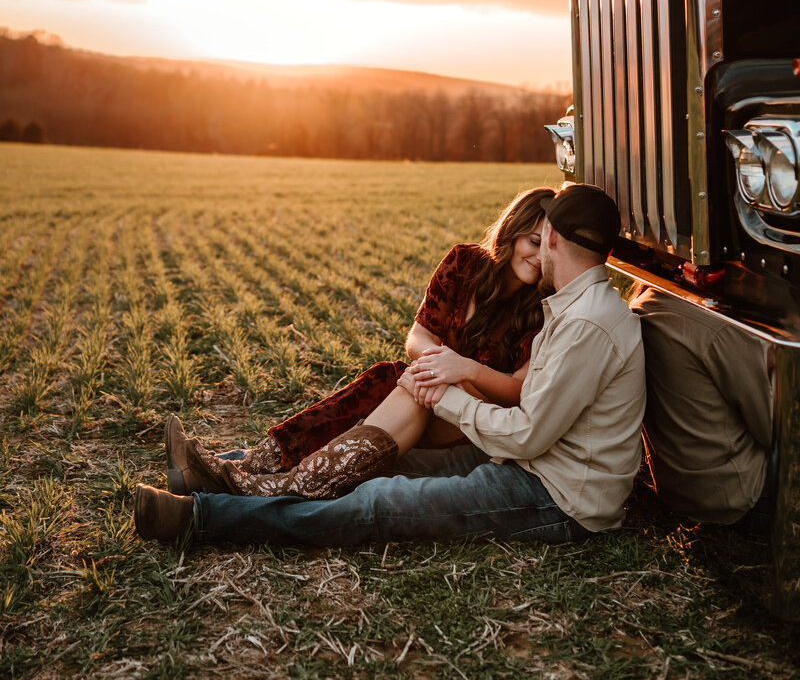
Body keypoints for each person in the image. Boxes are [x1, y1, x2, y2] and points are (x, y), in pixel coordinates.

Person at [134, 183, 647, 548]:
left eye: (543, 239)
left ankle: (203, 516)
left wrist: (444, 391)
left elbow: (527, 432)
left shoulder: (583, 322)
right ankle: (232, 471)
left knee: (377, 502)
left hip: (557, 497)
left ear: (553, 238)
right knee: (374, 461)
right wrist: (435, 380)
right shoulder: (575, 306)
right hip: (523, 459)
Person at [631, 286, 775, 532]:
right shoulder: (716, 324)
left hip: (674, 489)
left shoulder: (643, 301)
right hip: (734, 498)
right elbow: (772, 428)